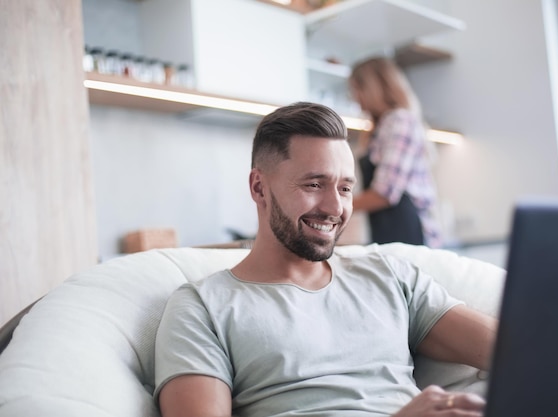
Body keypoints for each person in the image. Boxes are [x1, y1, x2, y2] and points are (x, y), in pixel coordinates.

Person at [154, 102, 497, 417]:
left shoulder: (389, 276)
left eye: (345, 188)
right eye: (314, 184)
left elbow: (519, 352)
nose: (335, 209)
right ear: (259, 188)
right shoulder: (203, 307)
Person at [349, 56, 442, 247]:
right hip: (388, 231)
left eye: (356, 90)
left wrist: (334, 207)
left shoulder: (400, 121)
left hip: (410, 232)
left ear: (371, 89)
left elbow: (385, 193)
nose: (354, 97)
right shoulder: (381, 127)